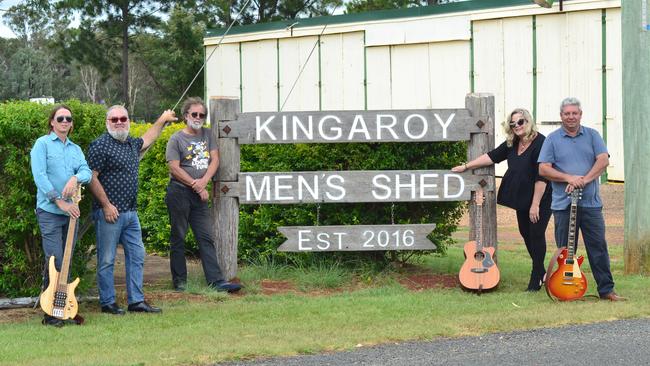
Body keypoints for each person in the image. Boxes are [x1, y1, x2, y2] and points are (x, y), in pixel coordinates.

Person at [87, 105, 177, 315]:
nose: (119, 122)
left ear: (128, 120)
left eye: (123, 119)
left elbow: (149, 138)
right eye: (114, 119)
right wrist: (106, 205)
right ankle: (108, 303)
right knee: (107, 260)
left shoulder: (130, 144)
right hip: (109, 213)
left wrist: (162, 119)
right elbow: (91, 177)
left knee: (137, 256)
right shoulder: (99, 146)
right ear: (107, 123)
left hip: (131, 213)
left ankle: (136, 301)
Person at [452, 108, 552, 291]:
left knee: (536, 234)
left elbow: (542, 176)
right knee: (526, 234)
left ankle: (535, 279)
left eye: (520, 122)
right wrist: (466, 166)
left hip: (540, 198)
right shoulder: (512, 143)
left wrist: (535, 204)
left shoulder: (541, 142)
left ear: (528, 121)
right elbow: (491, 156)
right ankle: (542, 273)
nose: (517, 127)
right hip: (522, 198)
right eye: (513, 124)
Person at [538, 97, 625, 301]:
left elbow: (603, 160)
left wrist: (583, 181)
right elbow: (543, 168)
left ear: (580, 115)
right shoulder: (552, 139)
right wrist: (569, 178)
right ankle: (565, 290)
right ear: (561, 116)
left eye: (574, 113)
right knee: (566, 251)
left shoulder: (593, 135)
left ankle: (606, 290)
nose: (571, 117)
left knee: (598, 248)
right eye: (567, 113)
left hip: (591, 204)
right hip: (563, 204)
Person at [165, 97, 242, 293]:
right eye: (194, 114)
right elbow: (174, 168)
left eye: (202, 115)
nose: (198, 118)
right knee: (179, 237)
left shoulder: (207, 135)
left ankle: (216, 281)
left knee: (206, 237)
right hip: (179, 192)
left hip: (199, 194)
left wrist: (204, 181)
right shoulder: (176, 139)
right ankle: (180, 282)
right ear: (185, 116)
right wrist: (195, 185)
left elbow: (215, 160)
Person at [30, 105, 92, 326]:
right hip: (50, 211)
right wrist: (59, 201)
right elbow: (39, 175)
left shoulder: (75, 149)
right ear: (52, 122)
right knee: (54, 260)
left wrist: (75, 179)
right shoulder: (42, 144)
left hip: (71, 213)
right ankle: (51, 313)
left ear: (71, 123)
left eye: (68, 118)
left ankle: (63, 305)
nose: (65, 121)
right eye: (60, 118)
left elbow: (86, 171)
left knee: (66, 261)